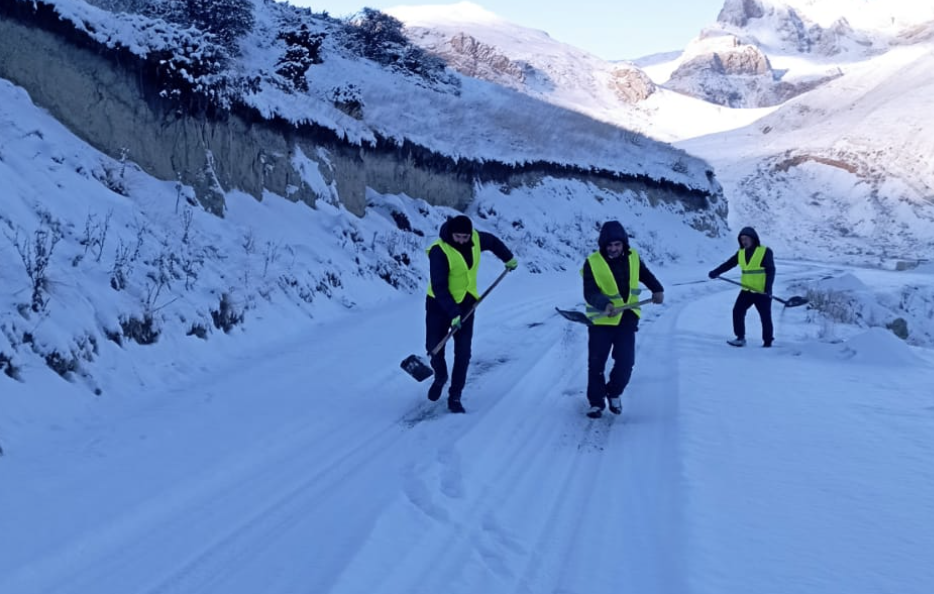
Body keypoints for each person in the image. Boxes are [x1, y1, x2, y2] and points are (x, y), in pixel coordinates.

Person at [425, 215, 517, 413]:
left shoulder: (475, 238)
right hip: (439, 305)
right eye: (458, 237)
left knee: (463, 352)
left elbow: (492, 241)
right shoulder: (439, 251)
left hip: (466, 301)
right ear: (451, 234)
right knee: (434, 347)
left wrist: (508, 258)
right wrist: (453, 313)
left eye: (465, 237)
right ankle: (440, 376)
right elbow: (439, 287)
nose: (462, 241)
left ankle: (455, 395)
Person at [582, 221, 664, 419]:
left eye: (617, 245)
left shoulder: (633, 256)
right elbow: (590, 291)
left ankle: (614, 392)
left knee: (626, 363)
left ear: (623, 244)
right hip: (601, 320)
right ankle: (596, 402)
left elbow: (645, 274)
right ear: (603, 245)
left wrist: (657, 288)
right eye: (609, 245)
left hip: (627, 318)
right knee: (596, 364)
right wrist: (605, 304)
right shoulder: (592, 262)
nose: (613, 249)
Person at [707, 226, 775, 348]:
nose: (744, 241)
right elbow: (729, 264)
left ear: (753, 238)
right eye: (742, 239)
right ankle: (740, 338)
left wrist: (768, 288)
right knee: (737, 311)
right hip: (747, 290)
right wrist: (716, 272)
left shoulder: (765, 251)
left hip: (761, 291)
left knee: (765, 316)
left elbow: (771, 270)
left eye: (746, 238)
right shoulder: (741, 253)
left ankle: (768, 341)